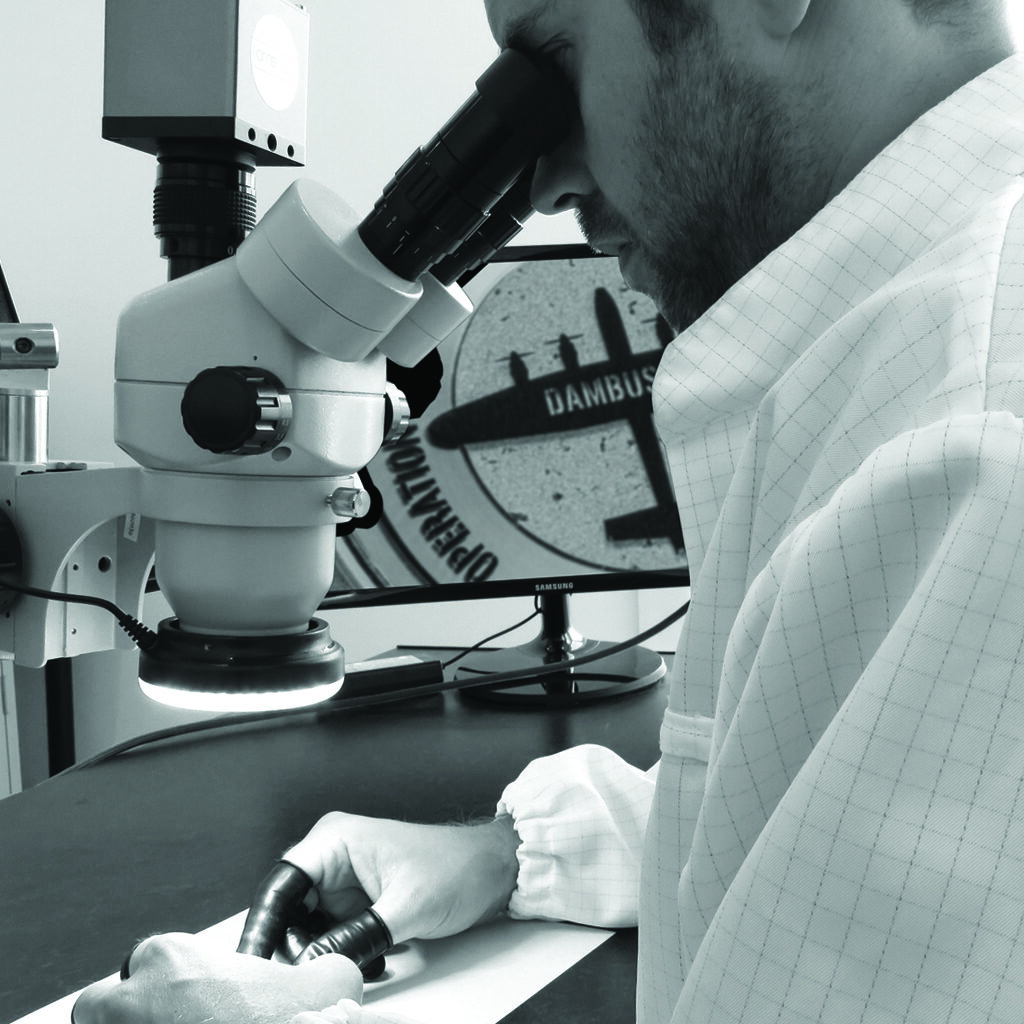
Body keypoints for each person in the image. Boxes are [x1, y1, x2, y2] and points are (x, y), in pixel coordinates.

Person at [74, 0, 1024, 1021]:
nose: (547, 174)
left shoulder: (967, 459)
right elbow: (802, 808)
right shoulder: (912, 358)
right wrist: (503, 855)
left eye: (551, 60)